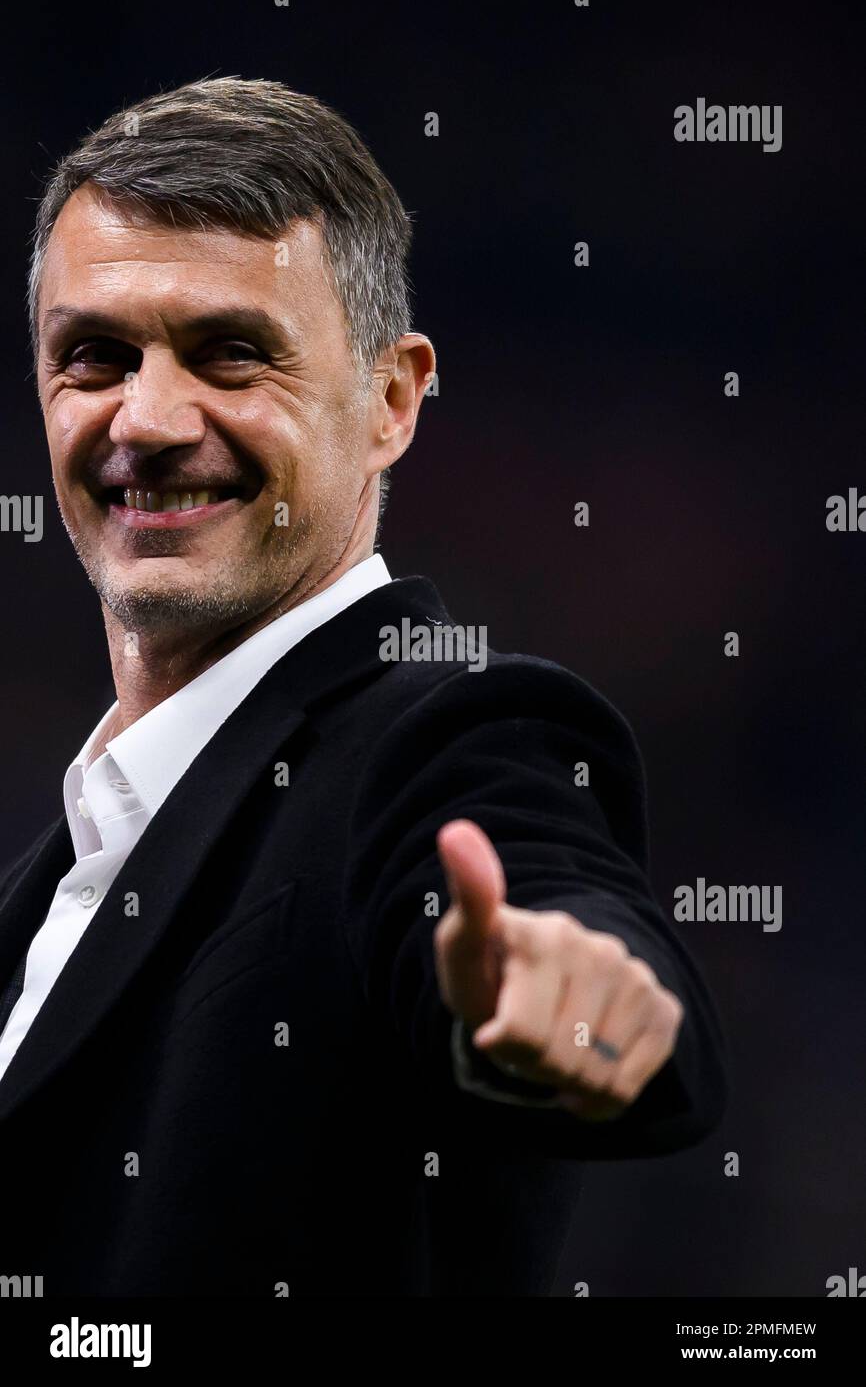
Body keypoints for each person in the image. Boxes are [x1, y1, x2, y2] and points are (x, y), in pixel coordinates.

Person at [0, 77, 727, 1296]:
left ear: (392, 400)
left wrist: (580, 998)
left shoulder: (443, 733)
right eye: (96, 355)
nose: (150, 416)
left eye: (231, 354)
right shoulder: (47, 884)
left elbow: (548, 904)